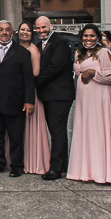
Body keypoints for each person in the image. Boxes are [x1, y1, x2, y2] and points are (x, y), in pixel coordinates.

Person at [66, 24, 111, 185]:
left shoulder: (104, 52)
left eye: (92, 36)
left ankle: (102, 172)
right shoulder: (79, 52)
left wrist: (93, 72)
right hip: (84, 98)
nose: (88, 39)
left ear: (98, 37)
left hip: (99, 97)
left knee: (99, 130)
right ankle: (84, 170)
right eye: (85, 36)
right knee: (85, 130)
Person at [0, 20, 35, 177]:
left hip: (14, 101)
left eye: (8, 30)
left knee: (16, 136)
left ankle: (16, 165)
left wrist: (29, 101)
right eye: (1, 30)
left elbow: (28, 79)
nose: (4, 33)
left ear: (13, 33)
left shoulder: (23, 53)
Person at [33, 15, 74, 180]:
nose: (41, 31)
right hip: (49, 94)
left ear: (51, 26)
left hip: (59, 94)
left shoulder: (60, 43)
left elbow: (54, 67)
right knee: (57, 131)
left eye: (44, 27)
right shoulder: (39, 45)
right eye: (38, 28)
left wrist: (35, 81)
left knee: (57, 131)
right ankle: (62, 164)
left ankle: (56, 168)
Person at [16, 21, 51, 176]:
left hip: (30, 91)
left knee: (32, 127)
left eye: (28, 30)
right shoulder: (15, 49)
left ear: (32, 34)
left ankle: (33, 162)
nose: (25, 32)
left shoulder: (33, 49)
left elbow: (36, 72)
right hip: (16, 92)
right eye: (22, 29)